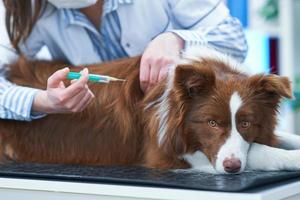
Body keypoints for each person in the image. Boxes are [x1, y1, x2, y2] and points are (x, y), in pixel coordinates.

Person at [1, 0, 247, 121]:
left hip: (193, 130)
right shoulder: (30, 10)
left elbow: (235, 41)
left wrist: (175, 40)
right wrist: (40, 101)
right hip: (114, 144)